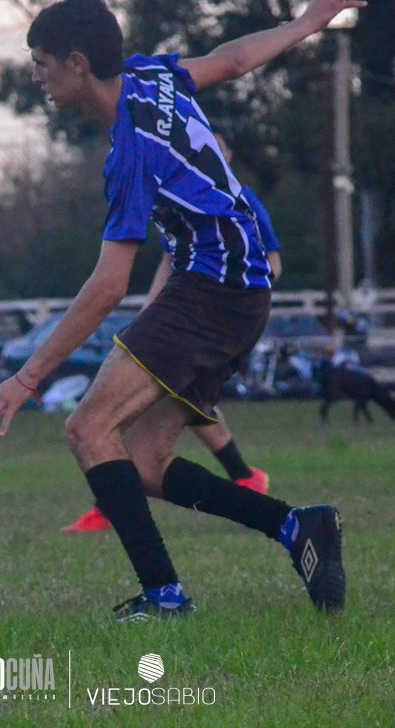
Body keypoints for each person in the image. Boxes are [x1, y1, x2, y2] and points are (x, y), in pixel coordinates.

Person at [0, 0, 372, 620]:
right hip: (234, 288)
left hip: (213, 290)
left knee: (88, 428)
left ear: (77, 64)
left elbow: (108, 286)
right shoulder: (150, 77)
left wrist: (26, 379)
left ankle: (165, 597)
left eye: (42, 64)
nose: (36, 76)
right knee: (145, 463)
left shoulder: (132, 150)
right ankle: (297, 527)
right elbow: (231, 61)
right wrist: (305, 23)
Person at [62, 182, 280, 533]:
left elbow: (270, 265)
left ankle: (109, 509)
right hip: (180, 318)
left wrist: (227, 302)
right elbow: (170, 261)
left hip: (212, 317)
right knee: (165, 415)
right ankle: (252, 485)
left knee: (118, 421)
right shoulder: (176, 195)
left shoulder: (236, 197)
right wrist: (150, 316)